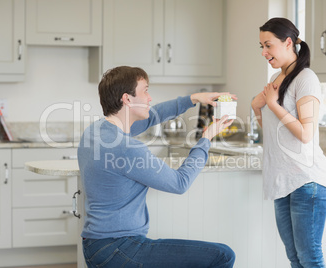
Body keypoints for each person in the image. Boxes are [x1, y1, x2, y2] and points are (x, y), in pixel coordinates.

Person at [78, 66, 236, 268]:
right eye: (145, 90)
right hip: (120, 248)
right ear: (127, 99)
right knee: (223, 255)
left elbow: (154, 115)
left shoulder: (95, 131)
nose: (149, 98)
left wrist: (195, 98)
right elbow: (180, 183)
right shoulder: (126, 148)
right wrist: (206, 138)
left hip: (95, 247)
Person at [251, 18, 326, 268]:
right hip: (283, 182)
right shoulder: (279, 77)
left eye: (268, 45)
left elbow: (306, 133)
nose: (264, 52)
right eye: (261, 47)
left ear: (288, 43)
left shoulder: (306, 79)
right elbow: (276, 133)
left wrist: (273, 105)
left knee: (309, 258)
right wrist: (257, 108)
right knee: (294, 258)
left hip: (306, 181)